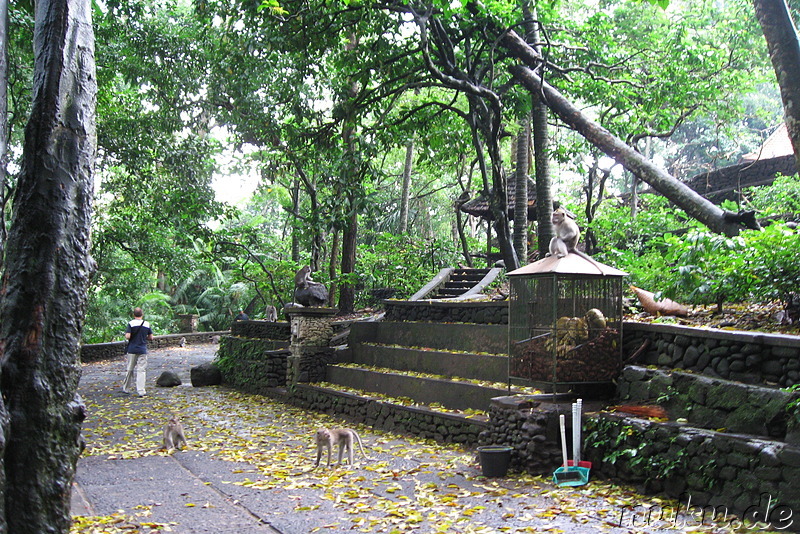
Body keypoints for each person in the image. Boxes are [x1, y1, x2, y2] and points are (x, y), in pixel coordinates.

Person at [122, 307, 153, 397]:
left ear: (134, 315)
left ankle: (126, 388)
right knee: (141, 370)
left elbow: (128, 336)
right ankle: (141, 391)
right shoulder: (146, 324)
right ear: (142, 314)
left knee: (130, 369)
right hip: (142, 349)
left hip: (132, 349)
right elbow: (151, 337)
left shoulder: (131, 323)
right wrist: (143, 337)